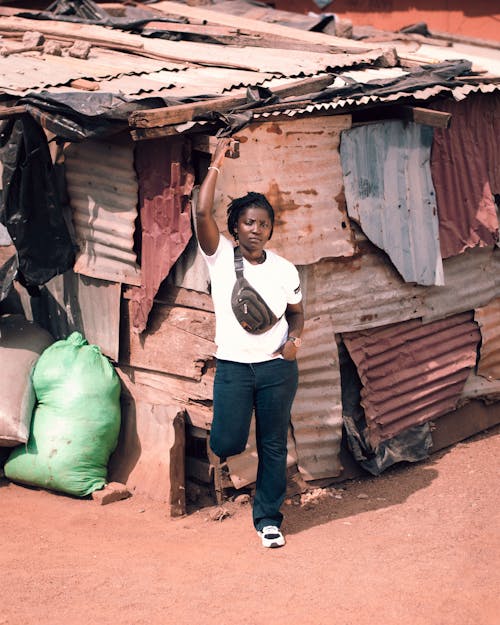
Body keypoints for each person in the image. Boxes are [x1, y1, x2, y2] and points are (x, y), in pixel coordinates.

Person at [195, 137, 304, 548]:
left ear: (270, 228)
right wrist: (218, 159)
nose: (256, 230)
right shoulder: (220, 257)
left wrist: (295, 339)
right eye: (248, 223)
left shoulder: (284, 269)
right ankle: (227, 449)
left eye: (263, 224)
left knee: (273, 444)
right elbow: (202, 209)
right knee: (226, 441)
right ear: (235, 228)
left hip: (277, 370)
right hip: (234, 371)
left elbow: (297, 313)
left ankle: (268, 520)